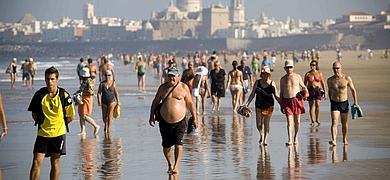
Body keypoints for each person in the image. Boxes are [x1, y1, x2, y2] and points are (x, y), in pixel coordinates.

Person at [28, 66, 75, 180]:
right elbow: (34, 114)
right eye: (48, 79)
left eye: (52, 79)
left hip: (58, 135)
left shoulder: (64, 95)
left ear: (57, 80)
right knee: (36, 162)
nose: (50, 82)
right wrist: (44, 123)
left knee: (55, 162)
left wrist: (58, 125)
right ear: (45, 80)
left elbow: (70, 116)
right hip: (43, 134)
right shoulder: (39, 95)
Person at [149, 66, 198, 175]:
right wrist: (151, 115)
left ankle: (176, 165)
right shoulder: (162, 88)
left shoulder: (184, 88)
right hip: (164, 122)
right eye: (169, 75)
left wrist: (195, 118)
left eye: (173, 76)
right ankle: (170, 164)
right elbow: (155, 102)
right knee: (166, 146)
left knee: (178, 143)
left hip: (180, 121)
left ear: (178, 76)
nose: (171, 78)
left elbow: (190, 103)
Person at [245, 66, 280, 145]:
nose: (265, 75)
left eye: (267, 74)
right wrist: (247, 103)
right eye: (264, 73)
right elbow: (252, 94)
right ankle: (261, 134)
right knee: (258, 124)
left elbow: (276, 95)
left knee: (266, 123)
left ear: (269, 75)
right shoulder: (257, 82)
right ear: (261, 74)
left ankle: (265, 139)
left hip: (269, 105)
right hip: (259, 105)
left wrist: (282, 104)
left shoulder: (272, 83)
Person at [327, 61, 358, 146]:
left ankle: (344, 139)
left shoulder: (347, 78)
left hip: (344, 103)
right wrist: (331, 100)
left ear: (341, 68)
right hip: (334, 103)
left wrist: (355, 103)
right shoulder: (330, 80)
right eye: (334, 68)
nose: (335, 70)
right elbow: (329, 91)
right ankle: (334, 140)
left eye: (337, 68)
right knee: (334, 121)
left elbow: (353, 90)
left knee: (344, 122)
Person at [280, 60, 308, 146]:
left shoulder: (297, 77)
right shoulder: (283, 79)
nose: (289, 69)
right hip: (287, 101)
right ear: (285, 68)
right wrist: (281, 104)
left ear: (293, 68)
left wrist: (306, 94)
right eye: (287, 67)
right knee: (289, 121)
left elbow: (304, 87)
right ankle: (290, 139)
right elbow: (281, 92)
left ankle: (296, 137)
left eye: (290, 67)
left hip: (297, 100)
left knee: (297, 121)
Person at [78, 67, 100, 136]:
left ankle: (96, 126)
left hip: (87, 98)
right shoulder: (89, 80)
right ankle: (83, 131)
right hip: (85, 97)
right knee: (81, 114)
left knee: (84, 115)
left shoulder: (86, 81)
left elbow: (82, 89)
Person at [304, 60, 326, 127]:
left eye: (313, 65)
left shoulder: (319, 73)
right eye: (311, 65)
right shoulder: (307, 74)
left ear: (316, 66)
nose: (312, 66)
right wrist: (304, 93)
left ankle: (317, 119)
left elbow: (323, 83)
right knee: (311, 106)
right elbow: (304, 84)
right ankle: (312, 120)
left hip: (318, 90)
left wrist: (325, 92)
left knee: (318, 105)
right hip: (310, 90)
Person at [97, 70, 120, 134]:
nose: (107, 76)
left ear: (111, 76)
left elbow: (116, 92)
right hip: (104, 101)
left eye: (109, 75)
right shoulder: (102, 84)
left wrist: (118, 101)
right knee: (104, 117)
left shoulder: (113, 83)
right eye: (106, 75)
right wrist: (99, 101)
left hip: (112, 101)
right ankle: (105, 125)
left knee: (109, 115)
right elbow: (99, 93)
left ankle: (108, 129)